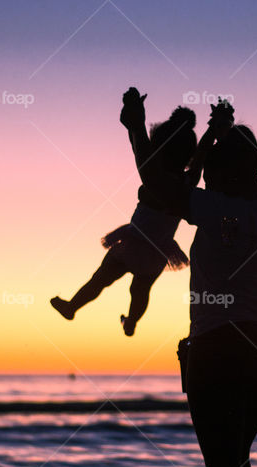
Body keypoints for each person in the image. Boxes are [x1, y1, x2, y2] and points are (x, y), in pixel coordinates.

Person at [120, 88, 257, 467]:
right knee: (233, 457)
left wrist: (135, 127)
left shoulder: (220, 209)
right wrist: (213, 136)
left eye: (215, 170)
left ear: (230, 171)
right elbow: (181, 188)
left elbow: (158, 185)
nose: (209, 178)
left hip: (219, 348)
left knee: (223, 462)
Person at [51, 104, 201, 336]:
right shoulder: (188, 183)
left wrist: (133, 124)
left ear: (158, 148)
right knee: (140, 291)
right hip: (157, 251)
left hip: (132, 244)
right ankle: (131, 322)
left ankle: (72, 307)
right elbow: (199, 160)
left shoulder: (153, 176)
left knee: (100, 279)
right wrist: (213, 130)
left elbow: (138, 148)